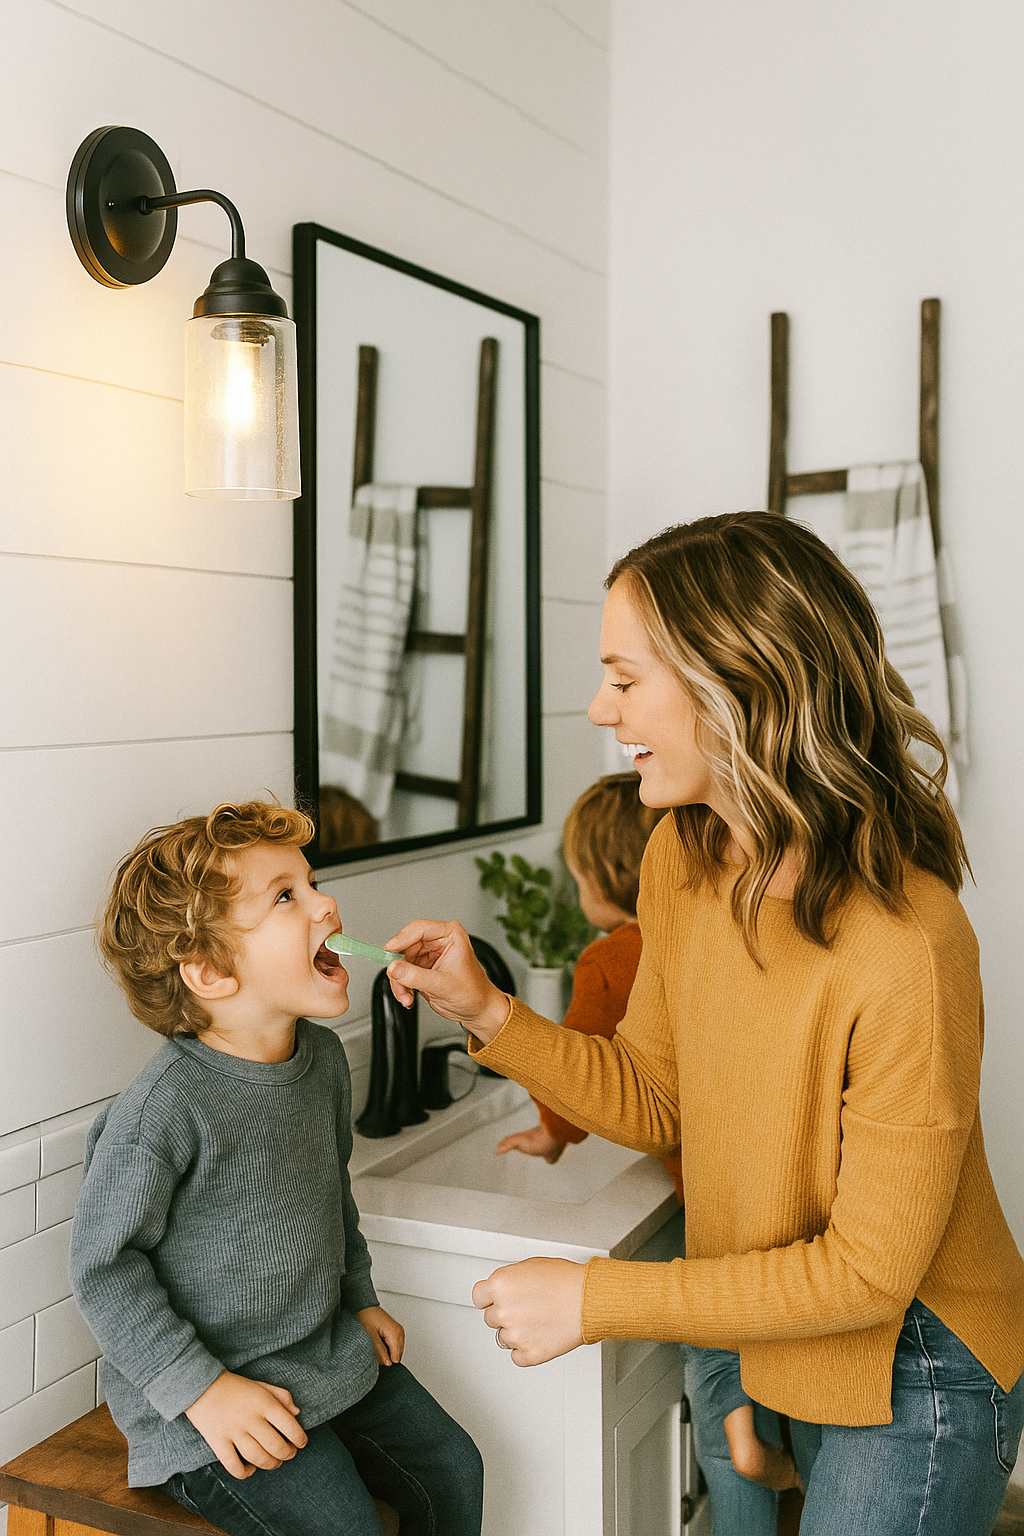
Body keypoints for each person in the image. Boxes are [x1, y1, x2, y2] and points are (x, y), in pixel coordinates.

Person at [384, 513, 1024, 1536]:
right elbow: (654, 1095)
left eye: (625, 678)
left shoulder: (909, 942)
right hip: (797, 1326)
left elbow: (866, 1275)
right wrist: (487, 1012)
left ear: (739, 682)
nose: (601, 708)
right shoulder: (684, 855)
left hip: (921, 1363)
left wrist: (597, 1300)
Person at [69, 801, 483, 1536]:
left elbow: (330, 1197)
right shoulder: (162, 1111)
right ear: (208, 971)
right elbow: (104, 1268)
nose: (326, 902)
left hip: (320, 1351)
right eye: (286, 895)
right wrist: (202, 1389)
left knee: (453, 1466)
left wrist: (359, 1295)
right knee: (345, 1526)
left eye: (311, 882)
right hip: (208, 1402)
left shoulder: (320, 1061)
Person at [494, 771, 799, 1523]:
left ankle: (741, 1448)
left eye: (574, 876)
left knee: (713, 1344)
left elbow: (583, 1072)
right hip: (783, 1180)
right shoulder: (725, 927)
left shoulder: (607, 961)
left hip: (713, 1196)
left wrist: (552, 1134)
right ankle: (771, 1440)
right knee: (778, 1340)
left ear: (605, 877)